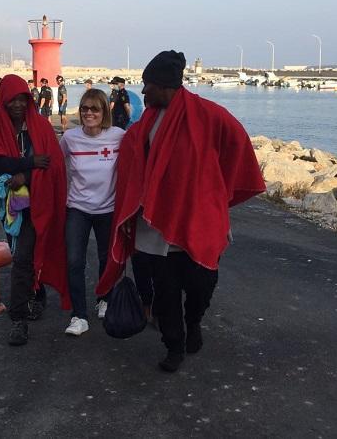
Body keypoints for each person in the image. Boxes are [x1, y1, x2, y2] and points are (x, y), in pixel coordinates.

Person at [96, 50, 265, 373]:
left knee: (202, 284)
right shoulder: (144, 124)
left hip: (199, 220)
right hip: (155, 229)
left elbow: (238, 145)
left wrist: (219, 190)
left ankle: (195, 320)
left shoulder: (209, 115)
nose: (143, 92)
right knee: (166, 293)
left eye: (147, 85)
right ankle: (173, 345)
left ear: (165, 86)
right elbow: (132, 163)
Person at [0, 74, 69, 346]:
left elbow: (53, 165)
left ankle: (18, 319)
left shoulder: (40, 126)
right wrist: (27, 165)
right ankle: (36, 295)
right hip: (13, 206)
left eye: (22, 99)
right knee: (23, 254)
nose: (18, 105)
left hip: (40, 202)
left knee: (22, 259)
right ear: (3, 101)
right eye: (12, 100)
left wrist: (27, 175)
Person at [60, 89, 125, 336]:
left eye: (95, 109)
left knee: (106, 258)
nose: (89, 113)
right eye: (85, 108)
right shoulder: (70, 137)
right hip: (77, 207)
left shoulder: (118, 136)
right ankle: (78, 316)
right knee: (74, 261)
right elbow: (56, 164)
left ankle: (104, 299)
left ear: (104, 112)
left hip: (108, 209)